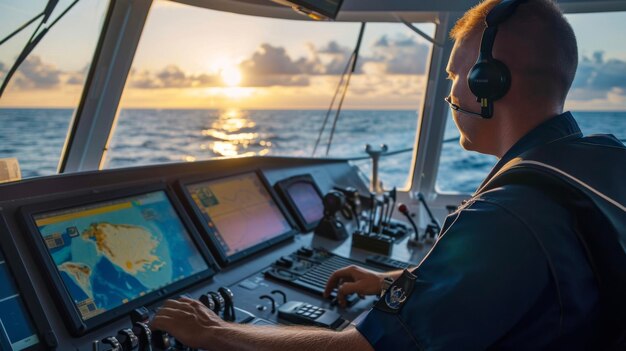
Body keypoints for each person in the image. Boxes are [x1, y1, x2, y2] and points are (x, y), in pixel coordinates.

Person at [151, 0, 626, 349]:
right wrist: (396, 281)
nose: (450, 91)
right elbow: (539, 281)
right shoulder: (599, 161)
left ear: (488, 82)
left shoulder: (508, 215)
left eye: (453, 75)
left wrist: (213, 330)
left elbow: (363, 350)